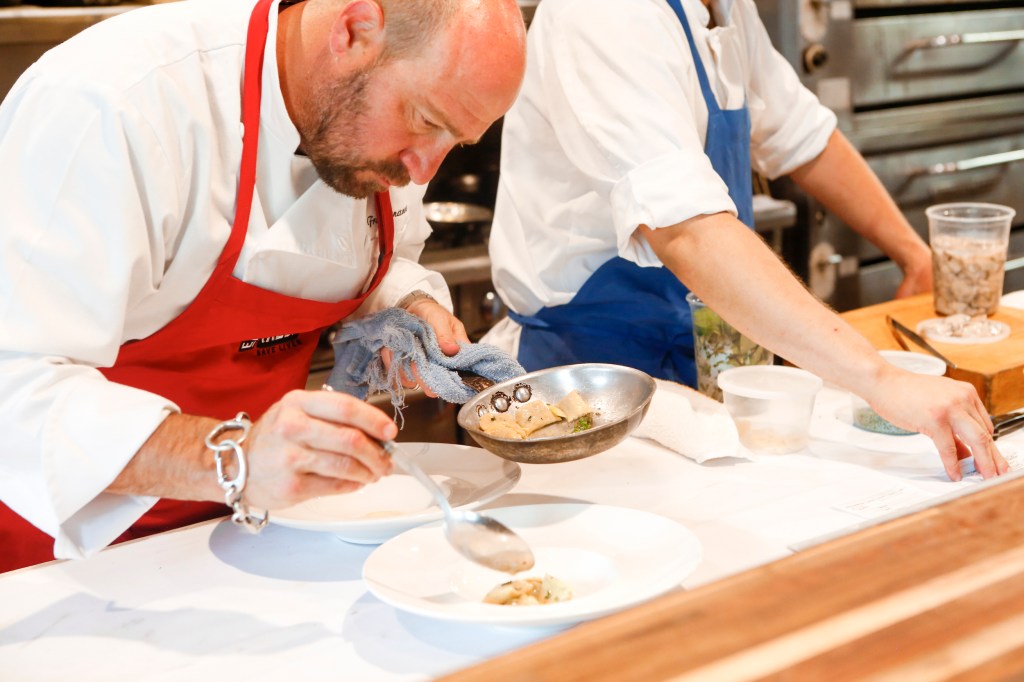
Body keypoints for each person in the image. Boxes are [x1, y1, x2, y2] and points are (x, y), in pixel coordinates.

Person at [0, 0, 526, 572]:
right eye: (425, 120)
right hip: (65, 561)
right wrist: (236, 459)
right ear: (354, 30)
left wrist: (402, 305)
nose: (424, 169)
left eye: (457, 141)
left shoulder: (381, 130)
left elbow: (358, 249)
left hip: (259, 533)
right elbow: (14, 386)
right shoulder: (113, 104)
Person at [483, 0, 1007, 482]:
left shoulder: (726, 8)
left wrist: (913, 255)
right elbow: (686, 232)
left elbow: (800, 136)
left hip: (701, 367)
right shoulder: (605, 14)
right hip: (588, 388)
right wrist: (881, 380)